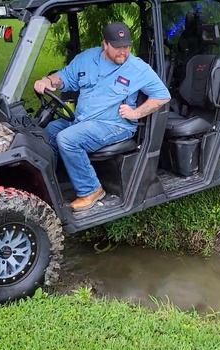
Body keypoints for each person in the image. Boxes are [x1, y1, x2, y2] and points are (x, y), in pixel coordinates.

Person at [34, 22, 171, 211]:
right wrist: (48, 80)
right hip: (82, 119)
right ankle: (51, 182)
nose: (123, 52)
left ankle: (91, 190)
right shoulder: (86, 59)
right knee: (46, 132)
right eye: (117, 47)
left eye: (126, 46)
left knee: (67, 139)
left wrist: (136, 113)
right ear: (105, 44)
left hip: (114, 124)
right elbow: (64, 77)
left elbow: (162, 95)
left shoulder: (138, 68)